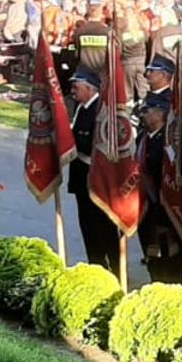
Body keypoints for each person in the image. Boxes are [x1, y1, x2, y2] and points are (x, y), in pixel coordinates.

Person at [68, 70, 117, 274]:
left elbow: (99, 145)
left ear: (90, 88)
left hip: (96, 178)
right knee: (87, 225)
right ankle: (96, 266)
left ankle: (115, 267)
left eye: (77, 88)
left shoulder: (100, 110)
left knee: (103, 225)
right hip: (81, 178)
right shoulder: (81, 108)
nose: (73, 92)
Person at [136, 92, 182, 285]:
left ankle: (176, 290)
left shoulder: (169, 140)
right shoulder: (142, 138)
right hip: (147, 206)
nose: (143, 115)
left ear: (160, 114)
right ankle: (155, 284)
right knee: (151, 252)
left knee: (171, 254)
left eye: (147, 111)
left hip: (166, 206)